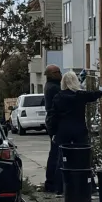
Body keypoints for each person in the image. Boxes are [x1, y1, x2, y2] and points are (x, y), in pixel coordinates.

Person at [50, 70, 102, 192]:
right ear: (75, 81)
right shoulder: (80, 95)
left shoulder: (58, 97)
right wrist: (101, 91)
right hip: (79, 129)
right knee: (83, 158)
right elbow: (93, 95)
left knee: (61, 159)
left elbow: (54, 116)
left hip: (63, 130)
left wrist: (53, 132)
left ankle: (59, 188)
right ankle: (89, 187)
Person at [42, 64, 63, 194]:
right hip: (55, 124)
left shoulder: (50, 86)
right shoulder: (54, 87)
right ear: (53, 74)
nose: (61, 74)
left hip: (52, 122)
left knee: (55, 153)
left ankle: (52, 182)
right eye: (58, 72)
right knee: (55, 154)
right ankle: (51, 183)